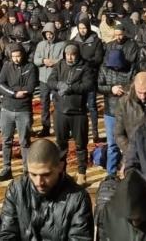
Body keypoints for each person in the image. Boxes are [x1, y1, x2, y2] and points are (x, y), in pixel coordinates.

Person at [0, 138, 93, 241]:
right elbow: (6, 235)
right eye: (33, 174)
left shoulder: (77, 199)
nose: (39, 182)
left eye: (46, 175)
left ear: (60, 167)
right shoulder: (17, 190)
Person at [48, 43, 95, 185]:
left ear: (77, 54)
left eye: (72, 54)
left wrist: (71, 88)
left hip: (78, 112)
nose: (69, 57)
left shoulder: (85, 67)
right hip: (60, 111)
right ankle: (61, 172)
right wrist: (58, 85)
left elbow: (88, 85)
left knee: (81, 144)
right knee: (61, 145)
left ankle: (81, 173)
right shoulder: (60, 65)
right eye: (67, 54)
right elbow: (50, 80)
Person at [0, 43, 38, 180]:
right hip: (7, 108)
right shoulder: (7, 66)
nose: (16, 59)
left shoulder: (30, 67)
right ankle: (6, 168)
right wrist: (14, 92)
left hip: (23, 110)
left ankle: (27, 169)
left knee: (24, 141)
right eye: (13, 56)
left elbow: (30, 87)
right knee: (6, 140)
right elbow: (0, 84)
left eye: (18, 56)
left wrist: (14, 89)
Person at [98, 38, 134, 175]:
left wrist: (125, 89)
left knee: (129, 143)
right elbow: (99, 86)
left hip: (128, 110)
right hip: (110, 111)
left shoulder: (131, 68)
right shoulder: (104, 69)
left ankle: (129, 170)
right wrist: (111, 89)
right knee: (112, 144)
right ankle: (111, 174)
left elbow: (135, 84)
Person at [113, 72, 146, 167]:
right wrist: (133, 152)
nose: (143, 97)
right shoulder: (124, 103)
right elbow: (118, 134)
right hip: (132, 155)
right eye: (139, 92)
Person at [33, 22, 65, 137]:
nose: (49, 36)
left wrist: (53, 62)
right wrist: (43, 61)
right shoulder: (40, 45)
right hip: (43, 79)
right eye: (47, 34)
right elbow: (35, 60)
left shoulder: (62, 44)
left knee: (57, 104)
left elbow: (63, 60)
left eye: (51, 33)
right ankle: (45, 127)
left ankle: (59, 128)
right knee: (44, 104)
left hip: (56, 79)